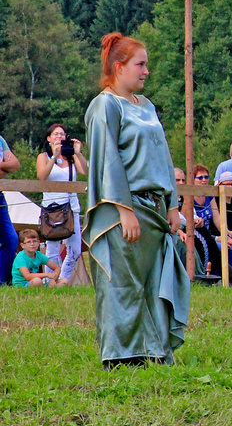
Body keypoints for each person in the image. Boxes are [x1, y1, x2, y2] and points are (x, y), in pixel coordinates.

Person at [83, 32, 189, 367]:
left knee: (153, 282)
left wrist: (172, 204)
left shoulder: (147, 106)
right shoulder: (105, 105)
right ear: (119, 67)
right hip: (124, 210)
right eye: (140, 65)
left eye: (146, 65)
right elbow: (107, 162)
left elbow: (161, 155)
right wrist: (123, 210)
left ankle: (154, 351)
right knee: (122, 285)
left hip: (155, 210)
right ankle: (122, 355)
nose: (146, 71)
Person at [36, 122, 87, 285]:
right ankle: (50, 281)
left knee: (75, 249)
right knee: (52, 249)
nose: (59, 137)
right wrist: (54, 157)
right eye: (56, 134)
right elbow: (42, 176)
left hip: (71, 207)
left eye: (62, 134)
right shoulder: (43, 157)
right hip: (52, 208)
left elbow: (84, 171)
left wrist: (77, 153)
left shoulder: (70, 157)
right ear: (49, 138)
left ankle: (63, 279)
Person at [0, 134, 23, 286]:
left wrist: (4, 168)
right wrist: (4, 166)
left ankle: (3, 282)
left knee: (11, 239)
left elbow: (15, 165)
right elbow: (7, 169)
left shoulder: (0, 140)